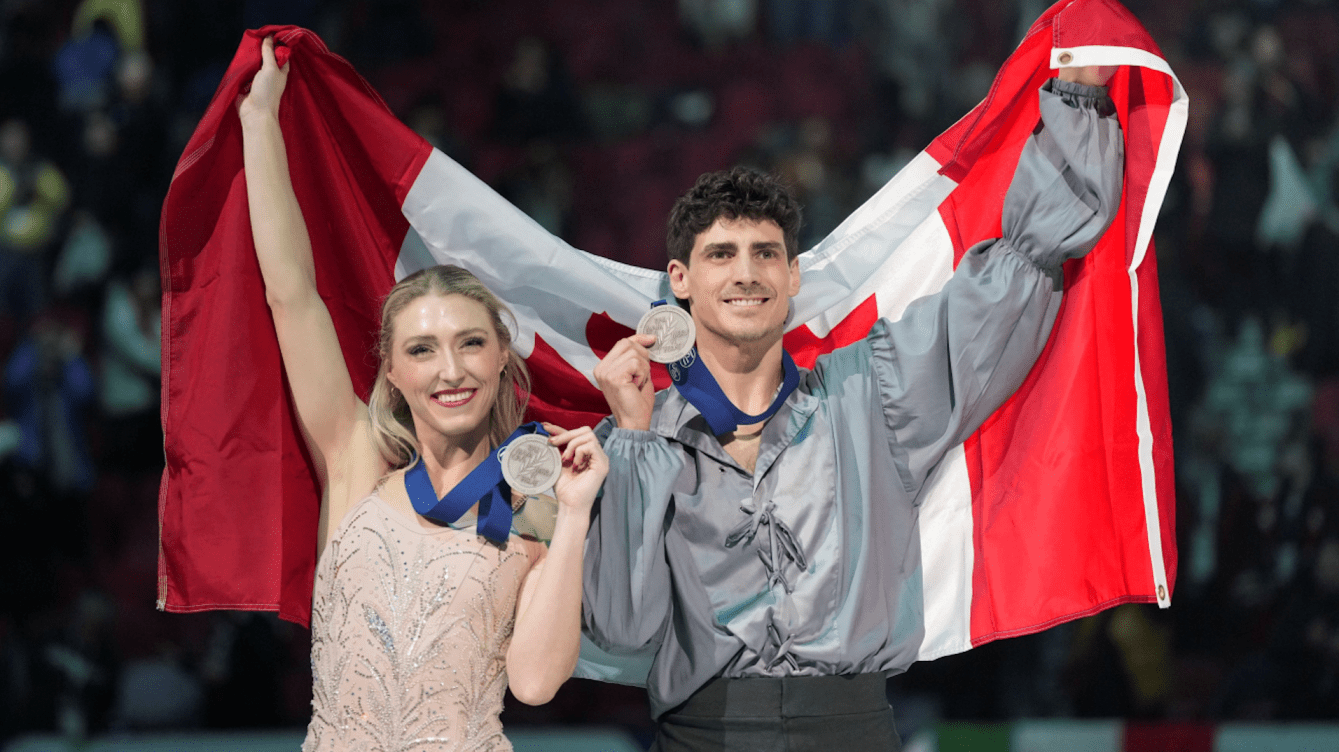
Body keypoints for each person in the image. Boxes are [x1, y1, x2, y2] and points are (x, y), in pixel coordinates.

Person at [584, 65, 1123, 750]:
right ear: (680, 281)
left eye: (764, 253)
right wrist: (631, 444)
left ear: (791, 276)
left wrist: (1076, 100)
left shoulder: (873, 394)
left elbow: (1012, 277)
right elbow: (622, 627)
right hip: (699, 733)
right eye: (720, 254)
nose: (745, 272)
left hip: (851, 730)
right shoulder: (637, 436)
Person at [238, 37, 603, 751]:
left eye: (470, 343)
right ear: (392, 372)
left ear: (503, 357)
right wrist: (260, 122)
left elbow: (532, 683)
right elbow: (290, 293)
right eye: (421, 350)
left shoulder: (528, 500)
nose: (450, 370)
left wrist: (577, 518)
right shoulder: (355, 461)